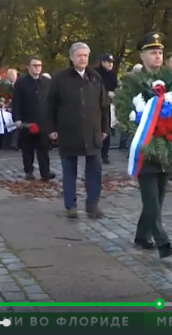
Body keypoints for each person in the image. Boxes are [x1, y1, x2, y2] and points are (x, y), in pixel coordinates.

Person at [46, 42, 109, 218]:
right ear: (72, 57)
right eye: (79, 55)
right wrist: (51, 128)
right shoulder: (60, 78)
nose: (83, 59)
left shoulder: (95, 77)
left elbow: (103, 104)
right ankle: (70, 205)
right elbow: (49, 104)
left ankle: (92, 205)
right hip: (68, 130)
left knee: (94, 171)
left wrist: (105, 128)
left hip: (93, 131)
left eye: (85, 56)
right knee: (69, 171)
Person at [129, 31, 172, 259]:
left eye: (159, 52)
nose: (157, 56)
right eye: (152, 52)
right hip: (145, 147)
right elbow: (124, 112)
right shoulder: (133, 82)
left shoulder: (171, 81)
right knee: (150, 198)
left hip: (167, 147)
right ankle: (163, 242)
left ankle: (141, 235)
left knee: (158, 198)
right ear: (142, 55)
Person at [13, 56, 56, 181]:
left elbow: (52, 102)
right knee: (27, 148)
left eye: (39, 65)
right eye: (35, 65)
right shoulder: (21, 83)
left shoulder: (47, 82)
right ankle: (29, 171)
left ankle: (45, 172)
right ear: (29, 67)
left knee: (44, 148)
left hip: (43, 121)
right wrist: (17, 118)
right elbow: (16, 102)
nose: (37, 68)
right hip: (27, 120)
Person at [96, 54, 118, 164]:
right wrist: (106, 92)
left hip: (107, 104)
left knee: (107, 127)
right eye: (108, 62)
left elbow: (115, 86)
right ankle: (96, 152)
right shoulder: (96, 73)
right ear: (103, 62)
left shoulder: (112, 74)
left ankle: (105, 154)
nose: (110, 64)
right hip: (96, 104)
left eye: (111, 62)